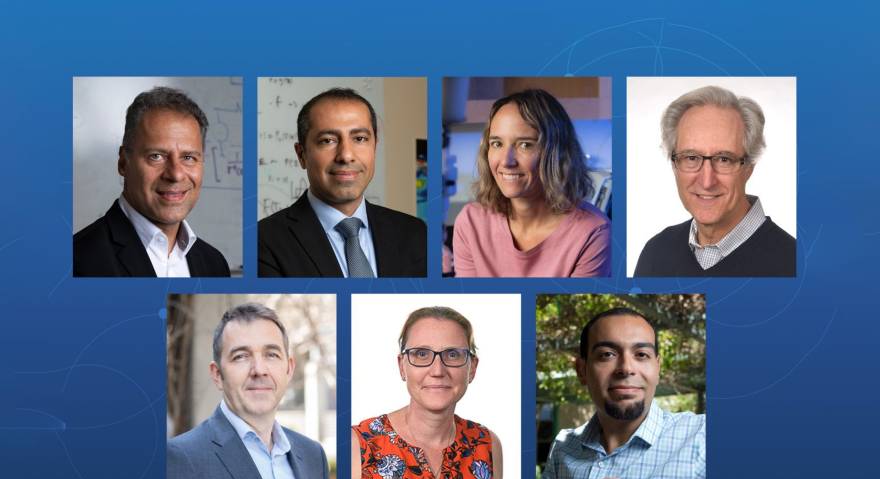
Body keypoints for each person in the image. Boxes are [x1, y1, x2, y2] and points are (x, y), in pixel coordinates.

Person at [258, 87, 426, 277]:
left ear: (374, 148)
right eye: (327, 140)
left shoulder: (415, 233)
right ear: (302, 154)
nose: (346, 155)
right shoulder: (264, 240)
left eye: (360, 139)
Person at [167, 303, 330, 479]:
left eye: (272, 354)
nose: (259, 370)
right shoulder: (181, 458)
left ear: (289, 369)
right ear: (217, 374)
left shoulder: (313, 456)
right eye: (241, 356)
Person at [539, 308, 705, 479]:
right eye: (607, 354)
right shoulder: (563, 446)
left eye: (641, 354)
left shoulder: (702, 433)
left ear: (657, 368)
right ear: (582, 370)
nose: (626, 368)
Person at [634, 85, 795, 276]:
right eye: (691, 158)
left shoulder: (792, 263)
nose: (707, 181)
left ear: (749, 167)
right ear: (674, 165)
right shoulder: (656, 252)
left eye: (724, 159)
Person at [73, 87, 230, 277]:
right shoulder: (77, 260)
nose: (176, 174)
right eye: (156, 156)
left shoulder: (214, 264)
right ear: (123, 162)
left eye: (188, 157)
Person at [452, 89, 610, 277]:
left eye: (525, 145)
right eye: (497, 144)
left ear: (556, 153)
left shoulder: (593, 232)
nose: (506, 161)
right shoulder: (471, 222)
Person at [351, 306, 503, 479]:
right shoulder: (358, 444)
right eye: (422, 354)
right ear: (402, 366)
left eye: (453, 354)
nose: (437, 371)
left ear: (472, 368)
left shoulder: (486, 444)